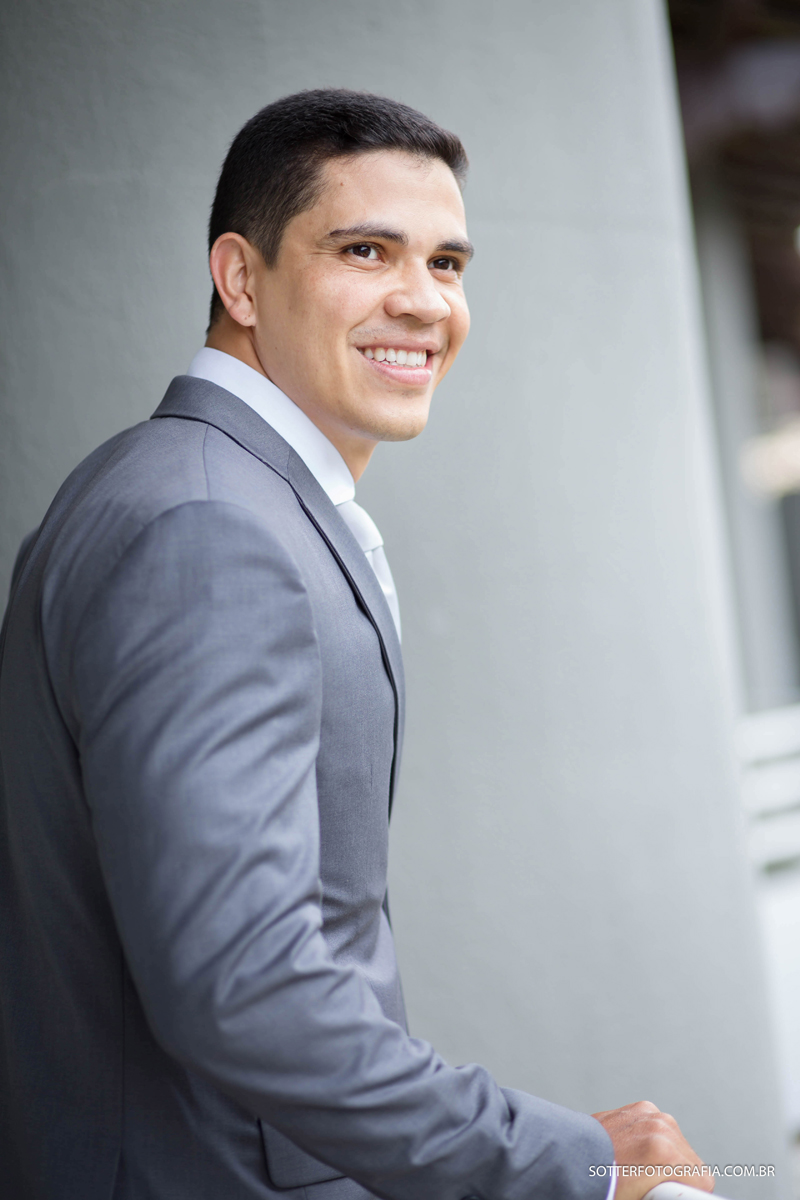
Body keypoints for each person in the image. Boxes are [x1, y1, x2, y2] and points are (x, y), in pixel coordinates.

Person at [0, 89, 710, 1200]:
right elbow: (244, 987)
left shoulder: (189, 492)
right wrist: (570, 1162)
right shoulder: (210, 531)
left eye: (447, 262)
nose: (422, 301)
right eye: (365, 249)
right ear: (240, 279)